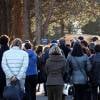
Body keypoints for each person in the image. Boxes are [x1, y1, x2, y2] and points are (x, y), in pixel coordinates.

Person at [0, 35, 10, 99]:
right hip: (9, 73)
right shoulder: (10, 51)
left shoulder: (0, 51)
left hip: (1, 73)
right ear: (7, 41)